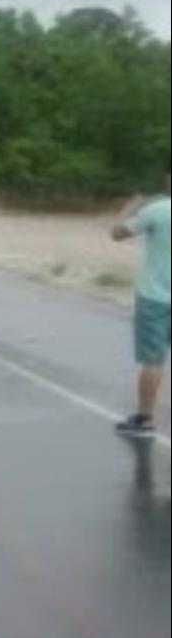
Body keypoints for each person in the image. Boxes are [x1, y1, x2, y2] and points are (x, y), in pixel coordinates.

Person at [111, 168, 171, 437]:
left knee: (153, 360)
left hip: (155, 297)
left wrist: (130, 207)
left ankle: (144, 419)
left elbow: (117, 233)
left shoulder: (157, 210)